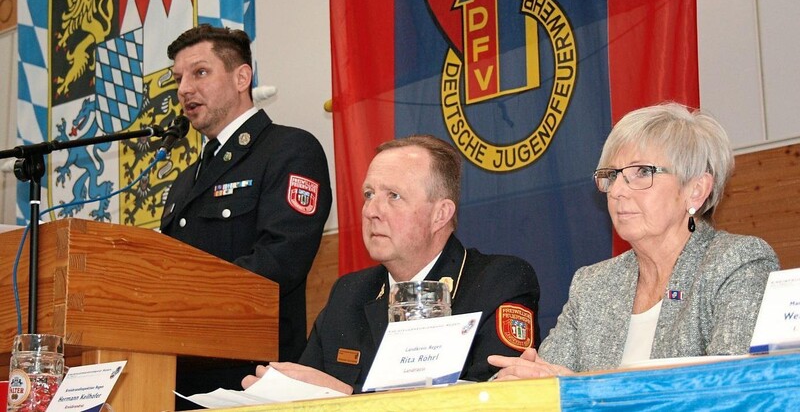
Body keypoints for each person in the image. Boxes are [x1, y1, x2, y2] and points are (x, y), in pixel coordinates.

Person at [488, 102, 780, 380]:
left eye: (642, 172)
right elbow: (549, 376)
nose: (617, 191)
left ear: (696, 190)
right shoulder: (593, 284)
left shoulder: (738, 263)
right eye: (612, 175)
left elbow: (733, 385)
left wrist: (580, 388)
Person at [242, 135, 541, 394]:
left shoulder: (499, 282)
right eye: (368, 194)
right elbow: (305, 389)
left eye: (393, 196)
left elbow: (497, 397)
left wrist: (347, 397)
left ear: (440, 214)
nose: (371, 210)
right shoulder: (349, 294)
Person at [159, 24, 332, 402]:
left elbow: (280, 259)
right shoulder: (185, 182)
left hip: (251, 379)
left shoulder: (289, 150)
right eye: (178, 78)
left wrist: (185, 303)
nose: (184, 89)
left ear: (242, 77)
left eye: (200, 72)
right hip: (177, 378)